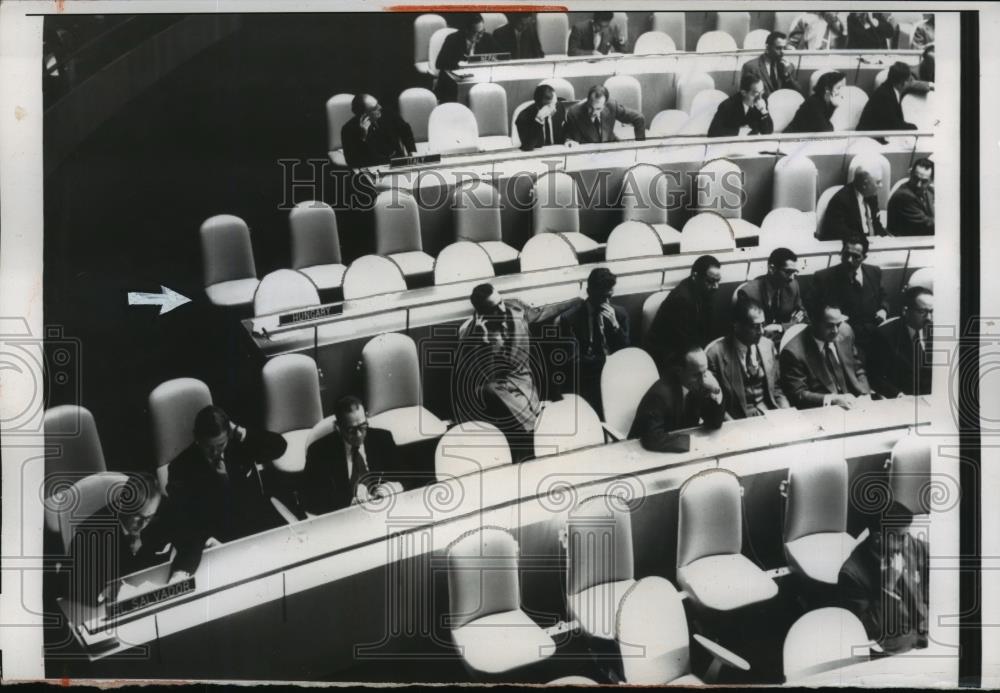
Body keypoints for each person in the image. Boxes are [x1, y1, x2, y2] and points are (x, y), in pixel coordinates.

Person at [455, 283, 572, 460]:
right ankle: (536, 433)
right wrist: (483, 336)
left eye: (501, 301)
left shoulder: (516, 308)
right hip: (494, 385)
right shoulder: (469, 332)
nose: (502, 308)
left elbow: (543, 312)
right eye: (495, 307)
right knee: (493, 388)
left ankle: (536, 437)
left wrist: (577, 301)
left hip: (522, 379)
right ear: (482, 312)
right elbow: (471, 373)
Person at [166, 405, 286, 571]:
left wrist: (240, 432)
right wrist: (206, 541)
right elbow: (181, 519)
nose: (215, 453)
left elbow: (279, 446)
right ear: (197, 438)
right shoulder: (180, 467)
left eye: (221, 445)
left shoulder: (238, 446)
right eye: (209, 447)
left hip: (254, 525)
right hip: (217, 538)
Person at [65, 473, 182, 606]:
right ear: (122, 504)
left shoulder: (157, 516)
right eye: (138, 516)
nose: (143, 524)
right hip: (107, 611)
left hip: (150, 602)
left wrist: (181, 571)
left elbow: (191, 537)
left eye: (149, 517)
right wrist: (103, 591)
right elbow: (69, 586)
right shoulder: (89, 534)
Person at [838, 503, 929, 655]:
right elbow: (867, 630)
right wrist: (888, 587)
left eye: (907, 535)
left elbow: (929, 560)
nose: (907, 542)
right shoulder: (851, 575)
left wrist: (927, 600)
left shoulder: (906, 542)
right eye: (900, 538)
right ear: (878, 538)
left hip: (925, 628)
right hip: (896, 643)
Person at [302, 396, 399, 516]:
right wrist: (347, 504)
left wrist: (394, 487)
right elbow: (310, 500)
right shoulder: (319, 452)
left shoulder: (383, 438)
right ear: (338, 427)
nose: (359, 435)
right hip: (345, 519)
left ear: (366, 418)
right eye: (351, 430)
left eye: (362, 427)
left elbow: (407, 476)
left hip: (383, 512)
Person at [557, 268, 630, 417]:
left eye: (610, 297)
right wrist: (606, 361)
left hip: (616, 373)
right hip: (588, 376)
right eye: (602, 298)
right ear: (590, 292)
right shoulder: (570, 319)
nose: (607, 303)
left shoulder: (619, 314)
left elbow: (627, 351)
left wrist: (615, 326)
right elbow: (573, 361)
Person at [629, 344, 726, 453]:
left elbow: (714, 423)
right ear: (679, 371)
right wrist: (692, 443)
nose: (703, 380)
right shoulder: (659, 395)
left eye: (705, 372)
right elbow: (652, 438)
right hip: (639, 453)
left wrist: (716, 391)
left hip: (674, 451)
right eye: (696, 375)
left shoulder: (698, 384)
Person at [706, 297, 790, 419]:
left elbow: (776, 388)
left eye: (763, 325)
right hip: (738, 419)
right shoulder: (715, 355)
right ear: (736, 325)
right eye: (755, 327)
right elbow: (716, 402)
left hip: (769, 412)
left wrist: (786, 412)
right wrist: (733, 427)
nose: (761, 332)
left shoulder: (767, 345)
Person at [780, 302, 872, 409]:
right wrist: (832, 400)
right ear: (814, 322)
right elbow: (799, 394)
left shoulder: (845, 332)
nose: (836, 331)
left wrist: (865, 395)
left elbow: (858, 370)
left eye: (838, 324)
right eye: (829, 326)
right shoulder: (793, 352)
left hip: (855, 404)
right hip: (823, 409)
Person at [811, 234, 889, 350]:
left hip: (874, 335)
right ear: (841, 252)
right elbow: (815, 310)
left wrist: (883, 309)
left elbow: (883, 296)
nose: (849, 260)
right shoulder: (824, 278)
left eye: (856, 256)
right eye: (846, 254)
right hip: (842, 338)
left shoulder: (874, 272)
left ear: (864, 257)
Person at [646, 255, 722, 370]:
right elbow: (683, 343)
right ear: (695, 276)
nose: (716, 286)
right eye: (711, 281)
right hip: (668, 356)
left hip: (688, 350)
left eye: (718, 281)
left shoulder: (705, 290)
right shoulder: (681, 299)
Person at [869, 287, 934, 398]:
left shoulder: (937, 332)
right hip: (903, 399)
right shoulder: (885, 335)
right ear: (905, 311)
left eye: (931, 311)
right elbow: (875, 377)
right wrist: (898, 395)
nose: (929, 318)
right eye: (922, 312)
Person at [737, 247, 807, 344]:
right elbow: (747, 331)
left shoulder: (793, 286)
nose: (792, 278)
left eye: (794, 272)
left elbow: (802, 316)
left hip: (786, 339)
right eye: (788, 272)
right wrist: (792, 323)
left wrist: (781, 327)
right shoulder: (748, 293)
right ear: (771, 269)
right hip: (759, 343)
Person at [434, 13, 499, 103]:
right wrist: (459, 64)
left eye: (482, 31)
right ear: (466, 31)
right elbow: (439, 63)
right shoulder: (452, 39)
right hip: (453, 85)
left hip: (478, 80)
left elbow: (500, 56)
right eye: (476, 33)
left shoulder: (487, 38)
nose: (480, 36)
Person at [817, 158, 886, 241]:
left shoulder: (871, 197)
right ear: (865, 184)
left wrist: (887, 240)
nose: (881, 185)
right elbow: (839, 234)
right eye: (878, 182)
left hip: (872, 245)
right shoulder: (840, 201)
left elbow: (876, 225)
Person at [340, 94, 416, 169]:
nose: (380, 107)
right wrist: (363, 137)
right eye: (375, 108)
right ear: (364, 115)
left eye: (378, 104)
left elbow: (405, 130)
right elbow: (352, 162)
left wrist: (411, 150)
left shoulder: (388, 114)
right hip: (373, 168)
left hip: (398, 163)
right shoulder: (348, 130)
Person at [564, 85, 645, 144]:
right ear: (587, 101)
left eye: (598, 109)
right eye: (591, 107)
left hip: (611, 146)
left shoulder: (612, 105)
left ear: (605, 104)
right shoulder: (574, 114)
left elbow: (639, 118)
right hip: (589, 153)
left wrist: (640, 145)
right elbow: (575, 142)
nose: (593, 112)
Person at [856, 61, 918, 133]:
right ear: (902, 83)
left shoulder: (888, 88)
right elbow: (894, 125)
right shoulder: (885, 96)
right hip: (867, 136)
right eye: (909, 80)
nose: (911, 83)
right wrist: (914, 128)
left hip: (876, 132)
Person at [707, 73, 774, 137]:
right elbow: (712, 132)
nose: (760, 98)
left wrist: (764, 111)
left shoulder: (762, 101)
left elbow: (768, 132)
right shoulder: (728, 105)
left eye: (762, 92)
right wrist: (739, 131)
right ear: (743, 93)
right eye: (756, 93)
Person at [784, 70, 845, 134]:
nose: (841, 92)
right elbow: (826, 130)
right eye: (838, 88)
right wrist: (834, 106)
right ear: (827, 90)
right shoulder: (813, 103)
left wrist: (833, 106)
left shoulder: (825, 102)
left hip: (803, 139)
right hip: (790, 139)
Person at [740, 31, 798, 97]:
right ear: (768, 47)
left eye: (784, 48)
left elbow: (796, 93)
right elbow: (747, 95)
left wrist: (787, 75)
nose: (782, 52)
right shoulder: (751, 67)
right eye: (778, 48)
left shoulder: (788, 66)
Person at [887, 158, 934, 236]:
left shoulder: (929, 190)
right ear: (910, 173)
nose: (918, 185)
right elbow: (927, 225)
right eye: (915, 179)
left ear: (931, 180)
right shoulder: (903, 196)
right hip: (904, 243)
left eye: (924, 181)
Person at [514, 83, 567, 151]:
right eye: (550, 106)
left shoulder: (560, 107)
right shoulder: (523, 118)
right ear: (539, 105)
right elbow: (527, 146)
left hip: (557, 151)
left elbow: (565, 133)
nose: (555, 109)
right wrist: (539, 120)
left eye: (555, 103)